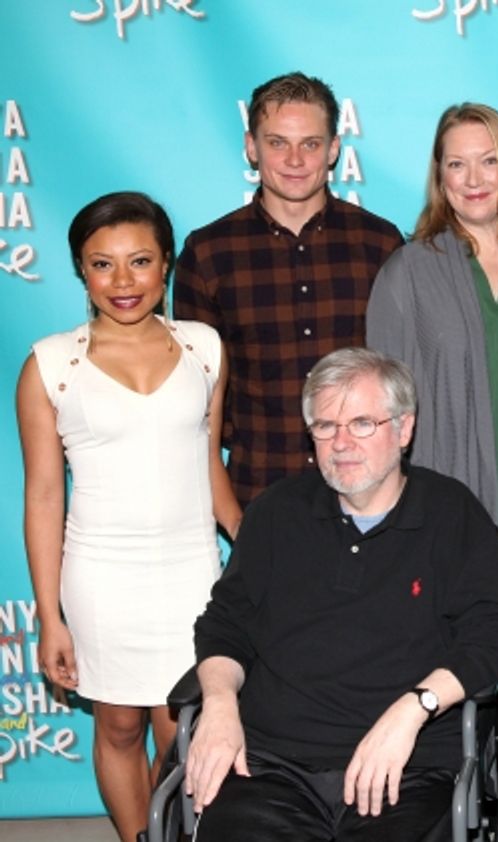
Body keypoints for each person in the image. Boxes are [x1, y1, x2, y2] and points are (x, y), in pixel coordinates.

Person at [184, 347, 498, 841]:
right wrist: (218, 705)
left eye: (362, 423)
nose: (341, 442)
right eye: (325, 426)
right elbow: (226, 623)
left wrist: (414, 709)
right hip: (273, 764)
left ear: (404, 429)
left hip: (409, 766)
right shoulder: (277, 513)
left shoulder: (451, 514)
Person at [17, 192, 240, 842]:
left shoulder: (204, 348)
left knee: (183, 728)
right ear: (80, 270)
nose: (123, 282)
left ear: (165, 265)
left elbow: (211, 465)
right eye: (102, 264)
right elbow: (42, 497)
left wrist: (254, 547)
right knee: (117, 726)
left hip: (191, 575)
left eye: (139, 261)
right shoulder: (50, 365)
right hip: (101, 578)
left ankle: (180, 833)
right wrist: (49, 617)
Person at [367, 103, 498, 690]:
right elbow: (382, 404)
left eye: (489, 161)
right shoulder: (406, 271)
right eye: (457, 164)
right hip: (442, 517)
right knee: (446, 673)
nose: (475, 179)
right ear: (439, 176)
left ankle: (495, 786)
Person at [175, 71, 404, 508]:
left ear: (334, 149)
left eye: (311, 144)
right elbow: (196, 396)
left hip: (370, 492)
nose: (295, 159)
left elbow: (402, 373)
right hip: (257, 493)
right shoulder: (208, 253)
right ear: (251, 146)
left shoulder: (381, 245)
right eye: (278, 142)